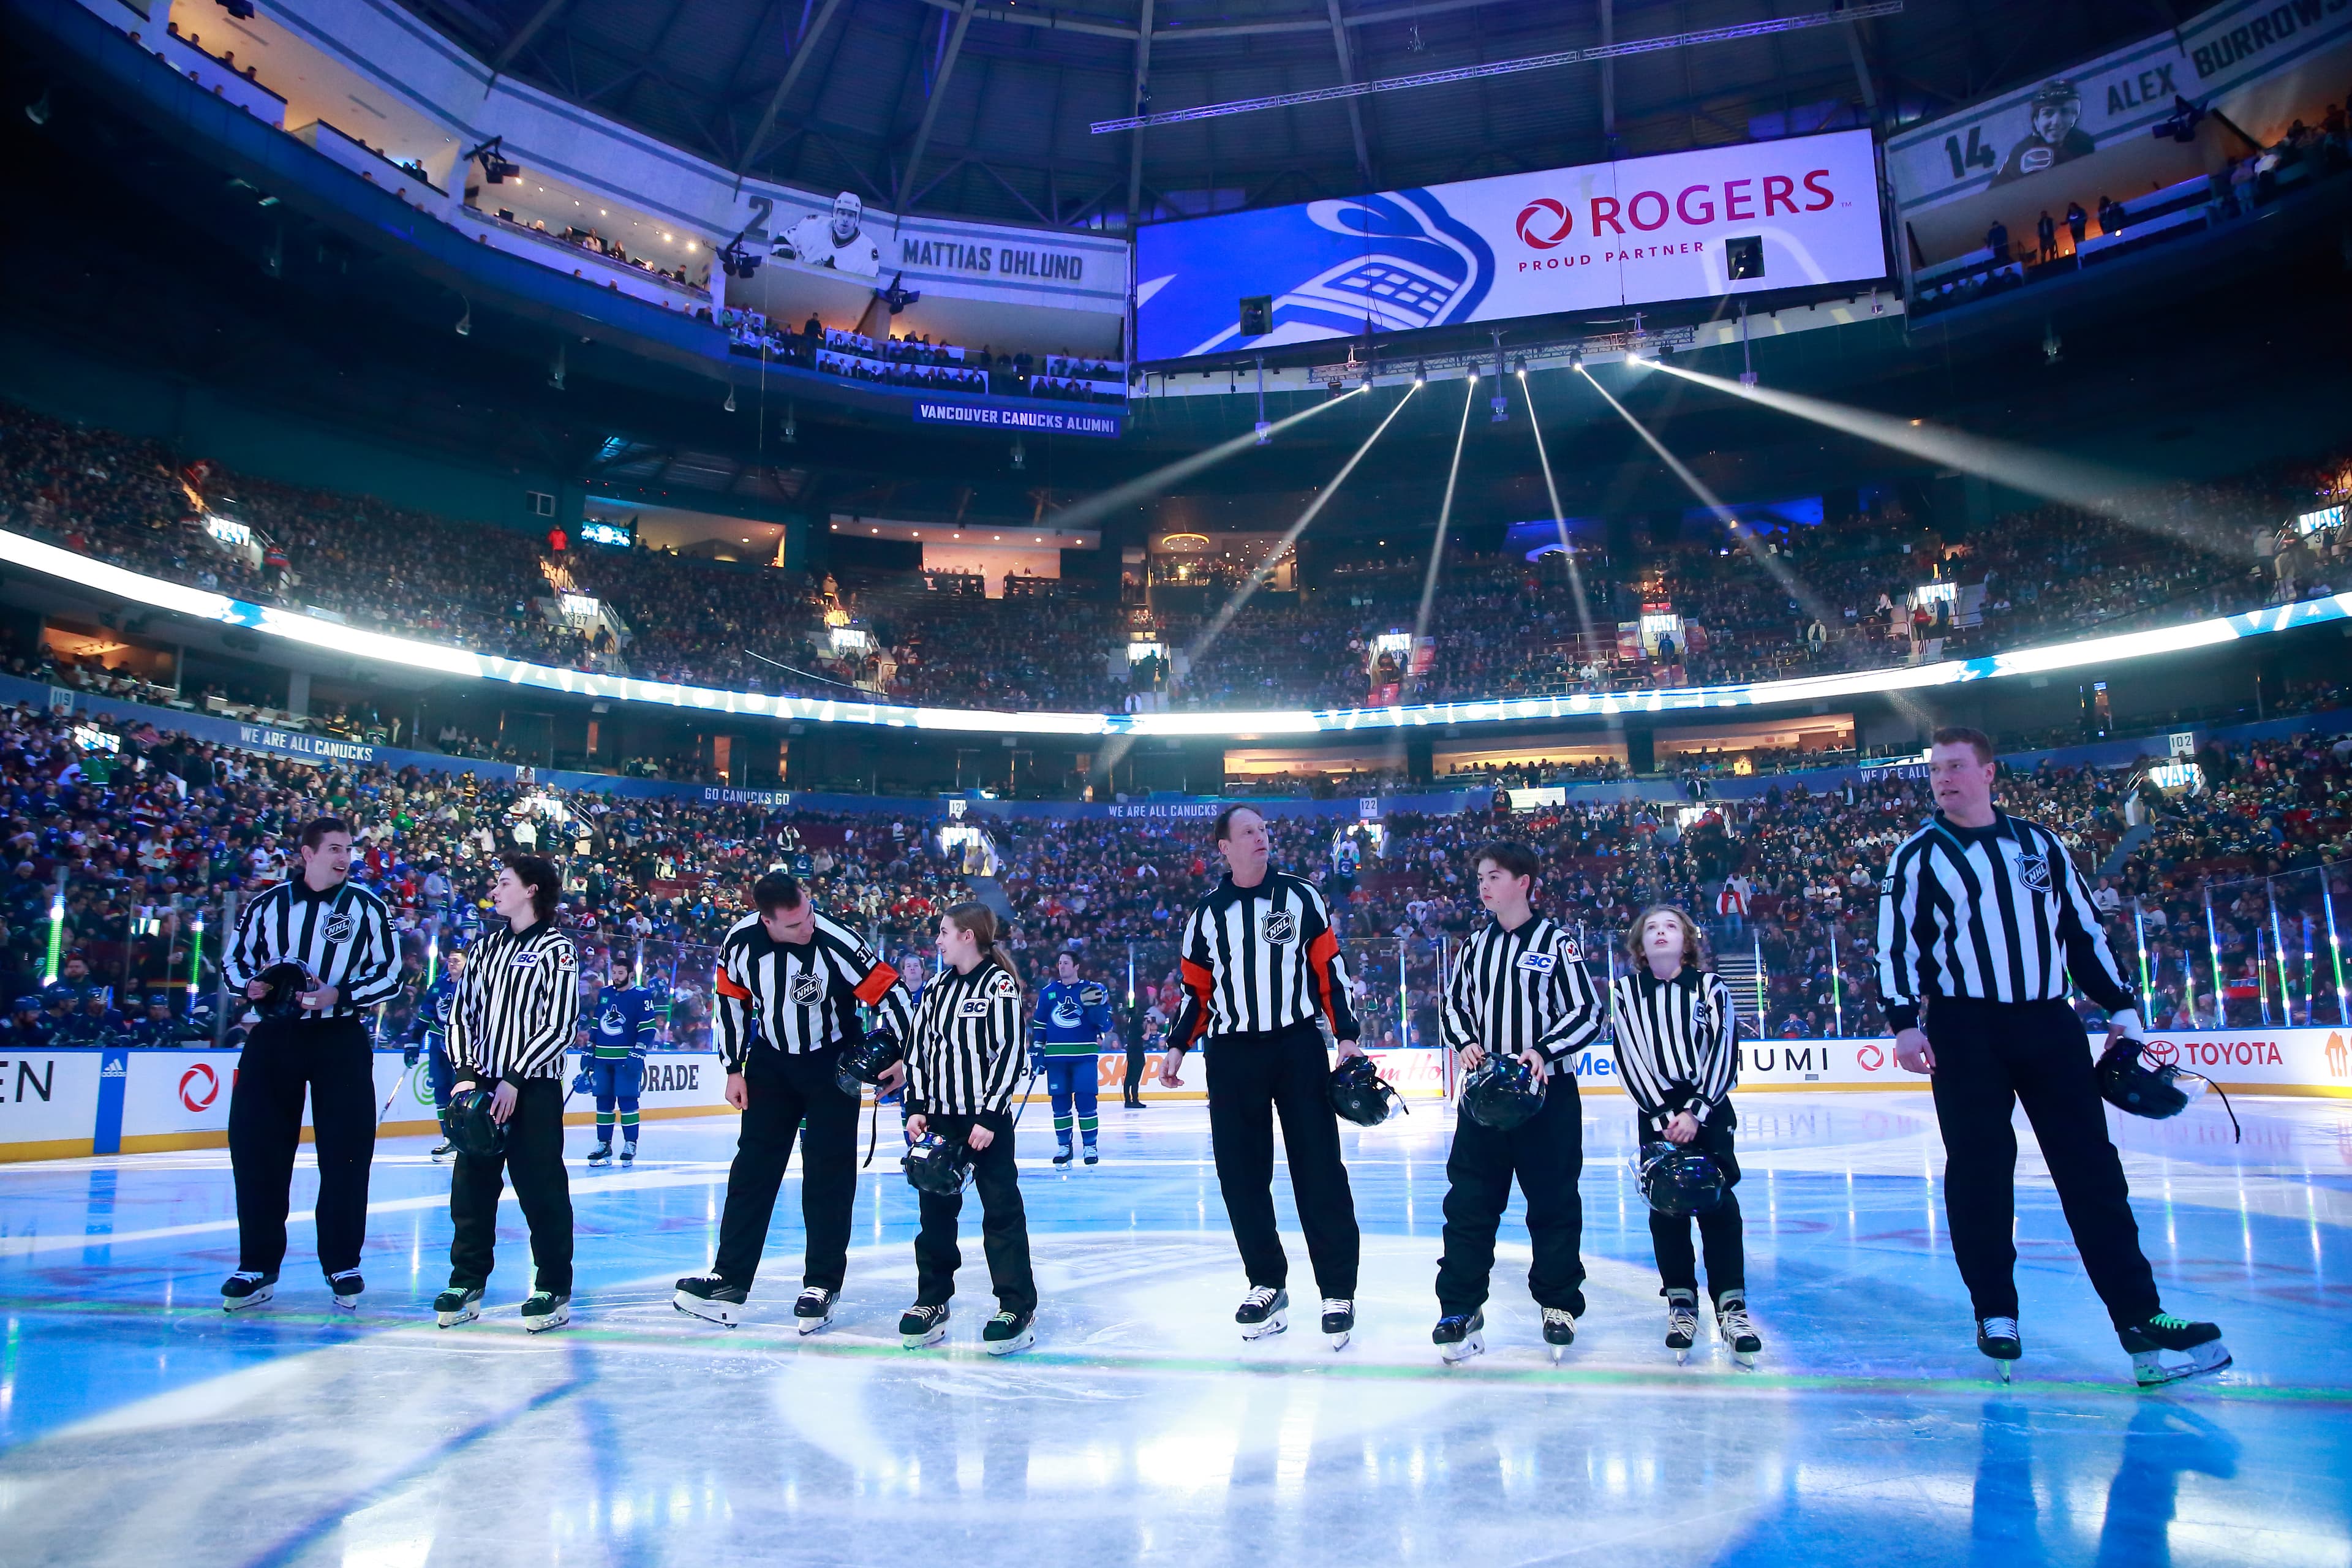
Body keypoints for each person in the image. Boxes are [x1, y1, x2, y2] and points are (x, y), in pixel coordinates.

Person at [1879, 726, 2229, 1386]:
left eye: (1956, 767)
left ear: (1988, 772)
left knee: (2092, 1170)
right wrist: (1903, 1023)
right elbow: (1897, 946)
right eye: (1936, 770)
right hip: (1963, 1027)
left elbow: (2082, 931)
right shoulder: (1917, 856)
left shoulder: (2040, 844)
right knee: (1980, 1170)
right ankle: (1996, 1312)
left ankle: (2140, 1317)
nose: (1944, 779)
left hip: (2050, 1022)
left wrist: (2121, 1007)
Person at [1159, 805, 1365, 1348]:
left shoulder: (1302, 897)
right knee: (1241, 1176)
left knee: (1319, 1169)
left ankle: (1337, 1291)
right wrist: (1178, 1045)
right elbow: (1196, 992)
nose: (1261, 838)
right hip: (1231, 1054)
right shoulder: (1206, 915)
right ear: (1224, 847)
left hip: (1297, 1046)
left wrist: (1346, 1034)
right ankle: (1266, 1283)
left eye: (1264, 830)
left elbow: (1331, 971)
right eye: (1248, 832)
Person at [673, 872, 914, 1331]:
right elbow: (731, 1002)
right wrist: (733, 1067)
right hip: (771, 1062)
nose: (807, 927)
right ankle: (729, 1279)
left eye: (808, 915)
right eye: (794, 925)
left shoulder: (839, 942)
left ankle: (821, 1283)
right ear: (767, 921)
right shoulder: (740, 942)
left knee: (828, 1174)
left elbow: (893, 995)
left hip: (833, 1064)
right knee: (752, 1170)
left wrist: (903, 1054)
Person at [216, 816, 399, 1313]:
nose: (345, 858)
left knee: (346, 1152)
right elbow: (234, 961)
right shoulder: (266, 906)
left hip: (340, 1037)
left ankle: (342, 1263)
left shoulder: (368, 907)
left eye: (348, 849)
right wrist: (251, 986)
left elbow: (390, 974)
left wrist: (341, 994)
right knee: (257, 1149)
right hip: (275, 1036)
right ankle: (256, 1265)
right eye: (335, 848)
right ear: (308, 853)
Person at [1431, 840, 1604, 1363]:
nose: (1484, 885)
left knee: (1553, 1202)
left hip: (1546, 1096)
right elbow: (1452, 1006)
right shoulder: (1475, 946)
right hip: (1484, 1097)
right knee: (1469, 1203)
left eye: (1494, 876)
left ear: (1523, 882)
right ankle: (1460, 1306)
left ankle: (1558, 1304)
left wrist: (1543, 1050)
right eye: (1481, 877)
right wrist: (1465, 1043)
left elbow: (1588, 1012)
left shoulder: (1557, 942)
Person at [1608, 903, 1762, 1363]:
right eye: (1652, 928)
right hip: (1656, 1111)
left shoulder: (1710, 987)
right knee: (1666, 1205)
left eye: (1671, 926)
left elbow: (1723, 1050)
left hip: (1707, 1108)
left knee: (1719, 1204)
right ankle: (1681, 1303)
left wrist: (1696, 1111)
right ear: (1639, 944)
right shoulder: (1626, 991)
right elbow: (1628, 1055)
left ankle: (1732, 1307)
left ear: (1687, 940)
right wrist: (1662, 1114)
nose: (1661, 932)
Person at [437, 854, 581, 1333]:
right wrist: (464, 1073)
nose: (494, 891)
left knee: (541, 1188)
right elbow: (461, 1014)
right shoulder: (483, 949)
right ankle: (467, 1281)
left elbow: (560, 1024)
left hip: (532, 1087)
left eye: (503, 883)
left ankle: (552, 1286)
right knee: (471, 1188)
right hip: (482, 1086)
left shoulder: (557, 949)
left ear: (531, 889)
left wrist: (515, 1078)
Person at [899, 902, 1038, 1355]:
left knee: (1001, 1212)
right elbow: (917, 1051)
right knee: (935, 1215)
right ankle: (932, 1300)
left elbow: (1011, 1053)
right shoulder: (935, 987)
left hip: (984, 1122)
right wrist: (916, 1106)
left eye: (944, 932)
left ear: (967, 936)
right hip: (939, 1120)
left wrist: (991, 1116)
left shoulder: (998, 985)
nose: (938, 940)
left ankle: (1016, 1305)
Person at [1031, 948, 1112, 1166]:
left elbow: (1106, 1024)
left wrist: (1098, 1012)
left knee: (1086, 1102)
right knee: (1060, 1104)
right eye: (1060, 963)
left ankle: (1090, 1147)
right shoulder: (1048, 992)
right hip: (1056, 1058)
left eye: (1066, 963)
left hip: (1084, 1056)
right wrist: (1037, 1049)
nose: (1062, 966)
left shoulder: (1092, 990)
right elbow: (1039, 1024)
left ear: (1076, 966)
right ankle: (1064, 1146)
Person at [579, 954, 659, 1166]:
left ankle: (630, 1144)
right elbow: (597, 1023)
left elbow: (648, 1028)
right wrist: (590, 1047)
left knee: (627, 1101)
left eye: (621, 973)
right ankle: (603, 1145)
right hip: (602, 1059)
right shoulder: (605, 993)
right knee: (603, 1102)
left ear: (631, 974)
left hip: (626, 1059)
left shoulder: (641, 995)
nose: (616, 976)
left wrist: (639, 1049)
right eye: (614, 973)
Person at [405, 946, 465, 1159]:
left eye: (457, 961)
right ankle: (449, 1138)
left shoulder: (476, 984)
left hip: (465, 1045)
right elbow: (425, 1016)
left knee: (463, 1091)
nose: (452, 964)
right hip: (439, 1045)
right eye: (450, 960)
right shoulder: (439, 986)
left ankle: (466, 1137)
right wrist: (414, 1042)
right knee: (441, 1090)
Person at [1120, 991, 1150, 1110]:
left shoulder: (1129, 1025)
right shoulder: (1137, 1025)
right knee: (1135, 1078)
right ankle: (1135, 1100)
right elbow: (1146, 1037)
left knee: (1129, 1077)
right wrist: (1148, 1025)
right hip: (1138, 1054)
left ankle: (1128, 1100)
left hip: (1131, 1053)